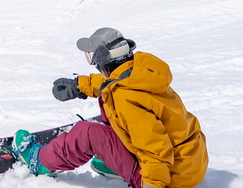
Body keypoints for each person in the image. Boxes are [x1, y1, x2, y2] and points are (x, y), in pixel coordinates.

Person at [13, 28, 208, 188]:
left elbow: (156, 151)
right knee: (110, 112)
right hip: (189, 164)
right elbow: (113, 81)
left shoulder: (127, 100)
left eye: (90, 56)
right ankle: (117, 163)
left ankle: (37, 161)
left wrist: (152, 184)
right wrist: (79, 86)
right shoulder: (141, 73)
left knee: (87, 133)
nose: (92, 62)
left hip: (168, 178)